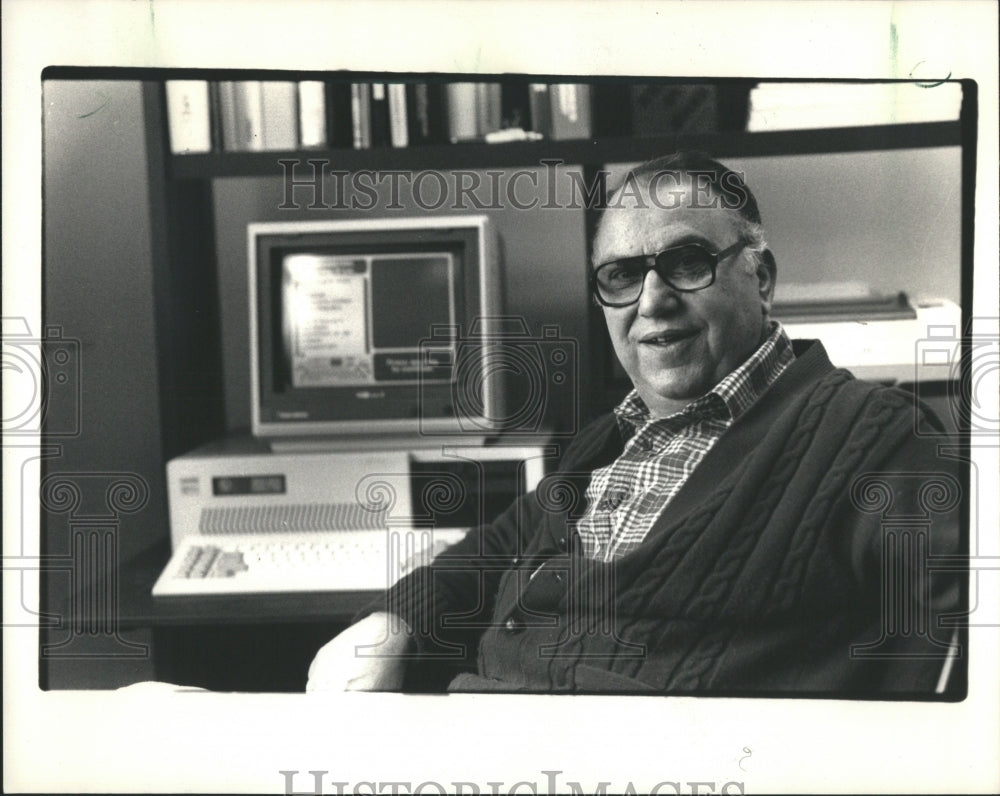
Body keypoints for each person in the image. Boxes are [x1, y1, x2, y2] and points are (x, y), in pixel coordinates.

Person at [307, 152, 962, 695]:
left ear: (760, 276)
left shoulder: (874, 439)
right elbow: (494, 547)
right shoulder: (611, 437)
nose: (652, 300)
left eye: (685, 261)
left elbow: (943, 672)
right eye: (621, 275)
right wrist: (393, 622)